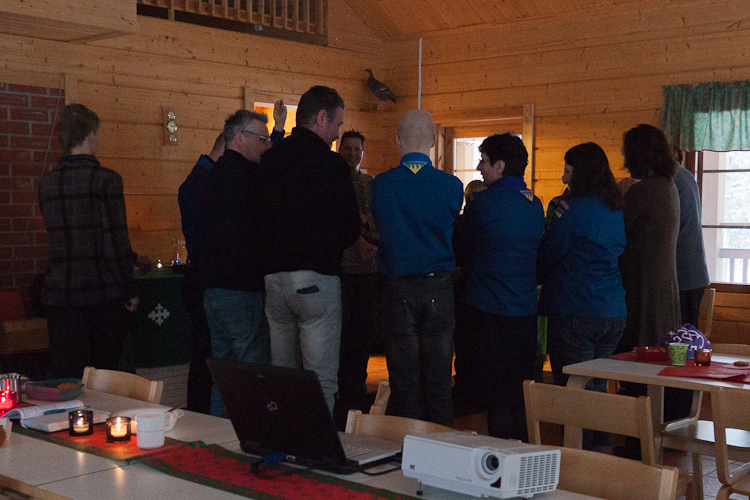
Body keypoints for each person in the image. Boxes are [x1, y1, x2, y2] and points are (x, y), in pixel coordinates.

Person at [258, 86, 360, 413]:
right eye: (337, 124)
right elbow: (350, 228)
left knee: (283, 376)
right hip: (316, 279)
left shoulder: (269, 159)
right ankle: (317, 443)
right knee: (320, 380)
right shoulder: (332, 165)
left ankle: (286, 437)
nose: (338, 133)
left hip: (274, 280)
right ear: (321, 118)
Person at [371, 109, 463, 427]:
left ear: (397, 140)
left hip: (397, 289)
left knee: (405, 385)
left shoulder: (381, 185)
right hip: (438, 287)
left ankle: (408, 452)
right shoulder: (452, 186)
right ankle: (442, 451)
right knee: (439, 383)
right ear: (434, 141)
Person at [38, 104, 139, 379]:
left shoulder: (47, 183)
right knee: (102, 379)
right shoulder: (107, 180)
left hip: (59, 296)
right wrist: (129, 290)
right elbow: (116, 241)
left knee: (67, 380)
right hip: (101, 296)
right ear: (90, 135)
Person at [456, 132, 544, 440]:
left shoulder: (482, 204)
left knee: (495, 392)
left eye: (484, 160)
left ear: (500, 165)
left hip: (488, 309)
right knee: (521, 389)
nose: (479, 167)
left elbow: (463, 249)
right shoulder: (535, 204)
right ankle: (524, 450)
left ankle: (499, 454)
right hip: (524, 310)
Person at [202, 103, 287, 418]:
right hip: (243, 290)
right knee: (252, 376)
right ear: (238, 137)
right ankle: (250, 440)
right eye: (262, 139)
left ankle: (217, 440)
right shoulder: (250, 178)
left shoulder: (211, 176)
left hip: (214, 291)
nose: (267, 146)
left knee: (224, 378)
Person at [538, 142, 626, 392]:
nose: (564, 178)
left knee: (575, 393)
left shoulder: (573, 210)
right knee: (596, 389)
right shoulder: (615, 209)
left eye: (568, 171)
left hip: (576, 308)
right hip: (613, 310)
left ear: (582, 174)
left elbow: (548, 254)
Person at [618, 124, 681, 352]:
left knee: (636, 356)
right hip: (664, 286)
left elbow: (615, 228)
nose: (625, 161)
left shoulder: (643, 191)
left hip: (643, 288)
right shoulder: (669, 186)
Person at [178, 132, 225, 414]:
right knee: (209, 358)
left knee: (201, 357)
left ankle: (198, 414)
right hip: (209, 278)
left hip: (198, 276)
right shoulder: (207, 182)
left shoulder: (194, 180)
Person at [336, 130, 379, 414]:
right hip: (341, 269)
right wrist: (357, 223)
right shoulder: (333, 181)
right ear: (340, 150)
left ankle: (357, 386)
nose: (353, 153)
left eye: (357, 149)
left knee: (363, 333)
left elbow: (378, 219)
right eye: (348, 148)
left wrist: (365, 221)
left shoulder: (370, 183)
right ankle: (339, 387)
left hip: (368, 269)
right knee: (340, 333)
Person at [673, 160, 710, 326]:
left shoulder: (672, 179)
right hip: (694, 271)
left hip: (683, 271)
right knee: (688, 333)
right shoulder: (686, 176)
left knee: (680, 334)